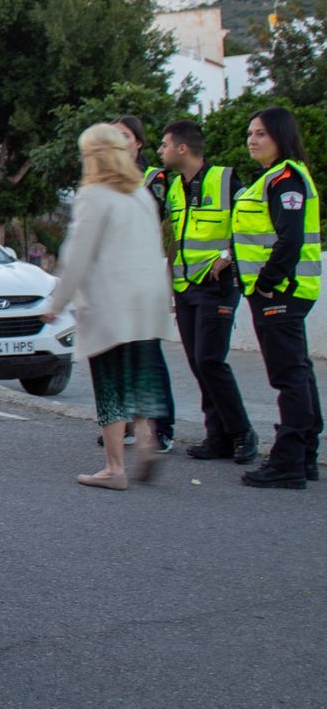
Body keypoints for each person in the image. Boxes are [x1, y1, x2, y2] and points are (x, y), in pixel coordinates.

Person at [41, 124, 175, 491]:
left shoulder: (94, 194)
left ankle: (115, 468)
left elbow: (77, 255)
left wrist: (57, 302)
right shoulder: (140, 195)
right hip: (146, 300)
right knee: (142, 375)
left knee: (111, 382)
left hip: (110, 301)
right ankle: (147, 441)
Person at [156, 120, 258, 465]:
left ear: (182, 148)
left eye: (165, 144)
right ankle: (219, 437)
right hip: (186, 287)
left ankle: (243, 433)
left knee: (210, 360)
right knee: (199, 363)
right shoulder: (173, 187)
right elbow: (175, 236)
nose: (161, 151)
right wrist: (170, 280)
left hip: (217, 285)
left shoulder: (226, 179)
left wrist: (228, 256)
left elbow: (252, 223)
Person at [232, 106, 322, 489]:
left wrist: (267, 282)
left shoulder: (285, 179)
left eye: (261, 134)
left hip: (280, 292)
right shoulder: (273, 178)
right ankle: (304, 457)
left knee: (288, 377)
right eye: (250, 133)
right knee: (298, 372)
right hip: (282, 292)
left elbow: (290, 238)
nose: (252, 140)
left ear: (280, 137)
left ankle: (288, 462)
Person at [110, 114, 178, 451]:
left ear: (138, 142)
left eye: (124, 135)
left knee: (147, 352)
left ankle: (161, 428)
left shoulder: (155, 178)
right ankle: (122, 426)